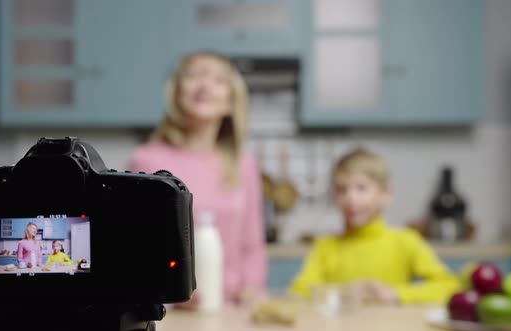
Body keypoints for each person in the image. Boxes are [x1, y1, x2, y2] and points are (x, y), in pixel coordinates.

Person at [128, 51, 266, 307]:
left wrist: (251, 289)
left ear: (230, 102)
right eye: (194, 76)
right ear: (176, 93)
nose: (204, 86)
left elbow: (253, 243)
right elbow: (137, 246)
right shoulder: (146, 161)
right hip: (169, 307)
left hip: (232, 305)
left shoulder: (243, 164)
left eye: (218, 80)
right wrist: (171, 291)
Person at [288, 148, 459, 304]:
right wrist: (345, 292)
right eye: (342, 190)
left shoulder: (405, 241)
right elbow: (297, 293)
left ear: (385, 193)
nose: (351, 198)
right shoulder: (325, 246)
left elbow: (449, 287)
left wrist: (395, 294)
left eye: (361, 188)